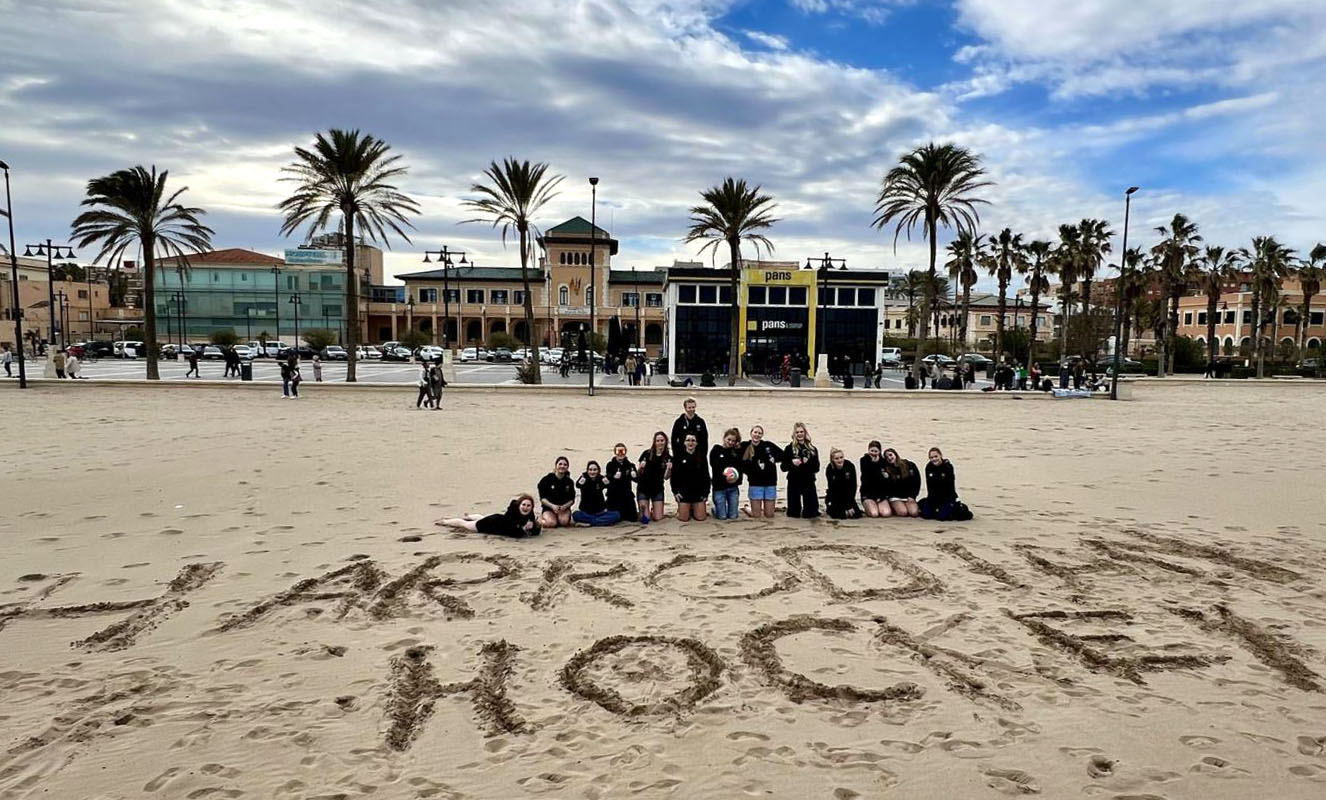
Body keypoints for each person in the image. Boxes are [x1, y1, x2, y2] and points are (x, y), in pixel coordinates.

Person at [437, 494, 541, 538]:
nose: (525, 508)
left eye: (528, 506)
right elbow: (515, 534)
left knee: (482, 517)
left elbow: (535, 531)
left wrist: (534, 525)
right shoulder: (512, 514)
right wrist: (524, 529)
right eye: (523, 505)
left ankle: (469, 515)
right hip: (489, 524)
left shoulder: (530, 515)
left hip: (496, 521)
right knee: (465, 524)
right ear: (519, 505)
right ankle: (445, 522)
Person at [740, 424, 782, 519]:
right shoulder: (745, 446)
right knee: (756, 515)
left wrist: (774, 459)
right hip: (755, 484)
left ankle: (764, 508)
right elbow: (738, 459)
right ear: (751, 433)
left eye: (759, 433)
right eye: (755, 432)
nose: (757, 435)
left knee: (769, 515)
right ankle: (747, 508)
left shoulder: (768, 445)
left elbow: (782, 455)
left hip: (770, 483)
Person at [919, 447, 972, 521]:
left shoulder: (947, 467)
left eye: (936, 456)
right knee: (926, 515)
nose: (934, 459)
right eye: (931, 457)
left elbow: (950, 486)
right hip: (933, 497)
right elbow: (929, 486)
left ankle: (960, 507)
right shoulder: (928, 467)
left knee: (942, 517)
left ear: (940, 455)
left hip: (947, 497)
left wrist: (950, 500)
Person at [781, 422, 820, 518]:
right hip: (794, 481)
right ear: (794, 434)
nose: (799, 434)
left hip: (808, 481)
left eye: (801, 432)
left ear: (805, 433)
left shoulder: (812, 449)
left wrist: (808, 462)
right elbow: (783, 467)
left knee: (811, 513)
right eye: (797, 432)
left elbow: (817, 468)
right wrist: (792, 463)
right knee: (793, 513)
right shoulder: (789, 448)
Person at [670, 432, 710, 522]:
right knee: (684, 518)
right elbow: (674, 477)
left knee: (701, 518)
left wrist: (706, 493)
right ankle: (682, 509)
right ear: (684, 442)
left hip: (698, 492)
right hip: (684, 492)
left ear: (696, 443)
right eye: (688, 440)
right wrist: (675, 492)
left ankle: (694, 508)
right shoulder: (678, 457)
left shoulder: (702, 457)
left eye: (693, 440)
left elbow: (706, 477)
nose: (690, 443)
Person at [709, 427, 743, 520]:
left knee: (733, 516)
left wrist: (734, 479)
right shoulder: (716, 450)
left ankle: (728, 509)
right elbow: (715, 467)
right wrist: (725, 478)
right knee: (722, 517)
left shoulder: (735, 453)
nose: (730, 442)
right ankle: (715, 509)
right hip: (719, 488)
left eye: (733, 441)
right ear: (724, 438)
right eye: (729, 439)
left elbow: (740, 468)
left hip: (733, 488)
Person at [637, 432, 672, 523]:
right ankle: (644, 511)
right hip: (643, 488)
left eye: (662, 440)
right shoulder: (646, 454)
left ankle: (653, 510)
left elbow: (666, 477)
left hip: (657, 489)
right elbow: (639, 474)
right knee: (645, 519)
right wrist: (641, 467)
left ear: (665, 442)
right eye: (658, 441)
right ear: (654, 442)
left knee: (658, 518)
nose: (660, 443)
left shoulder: (668, 458)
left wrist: (668, 469)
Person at [573, 461, 621, 526]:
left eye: (595, 470)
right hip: (586, 512)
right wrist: (580, 482)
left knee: (616, 515)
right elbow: (577, 485)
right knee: (575, 514)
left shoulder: (601, 478)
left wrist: (610, 482)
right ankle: (599, 522)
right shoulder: (584, 477)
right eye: (590, 470)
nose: (592, 472)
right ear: (587, 470)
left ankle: (590, 523)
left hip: (600, 512)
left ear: (598, 471)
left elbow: (610, 487)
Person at [537, 457, 576, 529]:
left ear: (567, 467)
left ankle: (563, 517)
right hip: (549, 507)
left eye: (565, 465)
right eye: (560, 464)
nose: (562, 466)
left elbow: (572, 499)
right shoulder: (546, 479)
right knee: (551, 524)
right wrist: (552, 506)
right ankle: (539, 519)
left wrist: (564, 506)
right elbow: (542, 498)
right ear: (556, 466)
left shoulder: (569, 482)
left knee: (563, 522)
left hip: (563, 508)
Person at [604, 443, 639, 523]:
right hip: (614, 496)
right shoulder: (610, 465)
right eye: (618, 451)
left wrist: (634, 476)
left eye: (622, 451)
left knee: (633, 518)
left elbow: (637, 480)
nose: (620, 453)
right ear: (615, 452)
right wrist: (614, 478)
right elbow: (607, 482)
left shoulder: (630, 465)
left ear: (625, 452)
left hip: (627, 497)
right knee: (615, 518)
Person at [882, 448, 920, 517]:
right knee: (903, 512)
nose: (889, 458)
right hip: (895, 497)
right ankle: (893, 507)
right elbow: (886, 487)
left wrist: (912, 496)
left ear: (895, 454)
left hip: (908, 496)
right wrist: (887, 478)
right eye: (887, 457)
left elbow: (916, 481)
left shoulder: (909, 465)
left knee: (914, 513)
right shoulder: (886, 469)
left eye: (890, 455)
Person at [824, 448, 862, 519]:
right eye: (836, 458)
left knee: (856, 515)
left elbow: (853, 487)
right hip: (835, 497)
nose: (840, 460)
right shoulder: (829, 469)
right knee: (839, 516)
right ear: (832, 459)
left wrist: (849, 505)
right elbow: (832, 489)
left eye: (841, 457)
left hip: (848, 496)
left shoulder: (850, 466)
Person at [859, 441, 891, 518]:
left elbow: (884, 479)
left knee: (886, 514)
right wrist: (873, 464)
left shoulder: (883, 461)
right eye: (871, 451)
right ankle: (867, 506)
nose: (873, 453)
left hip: (880, 493)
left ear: (879, 451)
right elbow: (867, 477)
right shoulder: (864, 460)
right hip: (867, 493)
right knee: (874, 514)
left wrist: (887, 475)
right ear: (868, 450)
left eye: (876, 451)